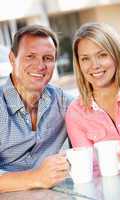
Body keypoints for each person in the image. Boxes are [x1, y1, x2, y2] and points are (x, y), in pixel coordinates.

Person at [0, 25, 72, 192]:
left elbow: (100, 112)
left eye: (47, 58)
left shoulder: (63, 102)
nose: (40, 66)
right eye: (30, 56)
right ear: (12, 58)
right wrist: (36, 177)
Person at [65, 22, 120, 165]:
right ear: (78, 64)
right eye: (85, 58)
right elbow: (89, 169)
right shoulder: (76, 112)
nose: (94, 65)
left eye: (102, 55)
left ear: (116, 55)